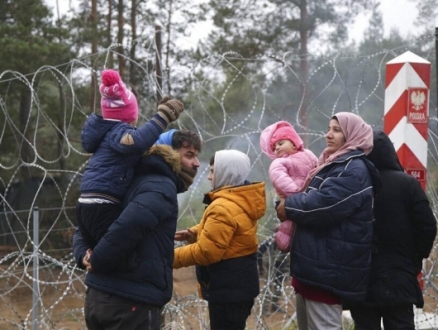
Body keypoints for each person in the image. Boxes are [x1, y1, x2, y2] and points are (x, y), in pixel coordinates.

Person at [73, 129, 202, 330]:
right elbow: (128, 227)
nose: (196, 163)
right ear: (167, 152)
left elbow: (86, 223)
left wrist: (83, 255)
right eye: (189, 155)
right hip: (131, 304)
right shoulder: (160, 185)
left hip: (100, 298)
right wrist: (97, 260)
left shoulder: (128, 180)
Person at [276, 112, 381, 330]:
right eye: (328, 129)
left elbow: (323, 205)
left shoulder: (353, 169)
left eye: (336, 130)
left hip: (328, 272)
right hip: (314, 271)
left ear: (352, 134)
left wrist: (289, 206)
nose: (328, 135)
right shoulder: (330, 163)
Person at [76, 68, 184, 249]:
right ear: (128, 114)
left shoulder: (107, 134)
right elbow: (138, 141)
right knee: (120, 256)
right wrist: (162, 117)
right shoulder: (118, 132)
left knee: (101, 253)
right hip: (103, 204)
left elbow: (146, 145)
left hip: (88, 203)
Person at [349, 131, 437, 330]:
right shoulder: (408, 184)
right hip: (399, 275)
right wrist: (415, 258)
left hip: (362, 275)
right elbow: (427, 226)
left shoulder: (357, 185)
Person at [173, 150, 266, 330]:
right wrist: (195, 232)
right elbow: (230, 227)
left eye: (213, 171)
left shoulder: (222, 206)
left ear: (227, 173)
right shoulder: (240, 198)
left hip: (227, 291)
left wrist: (169, 257)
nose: (209, 177)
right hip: (238, 288)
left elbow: (207, 252)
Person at [259, 121, 318, 252]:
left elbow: (317, 168)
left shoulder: (308, 154)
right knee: (288, 228)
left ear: (294, 142)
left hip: (310, 198)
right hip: (295, 200)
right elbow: (279, 178)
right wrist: (295, 196)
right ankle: (284, 243)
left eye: (281, 143)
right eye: (274, 147)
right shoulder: (279, 162)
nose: (277, 148)